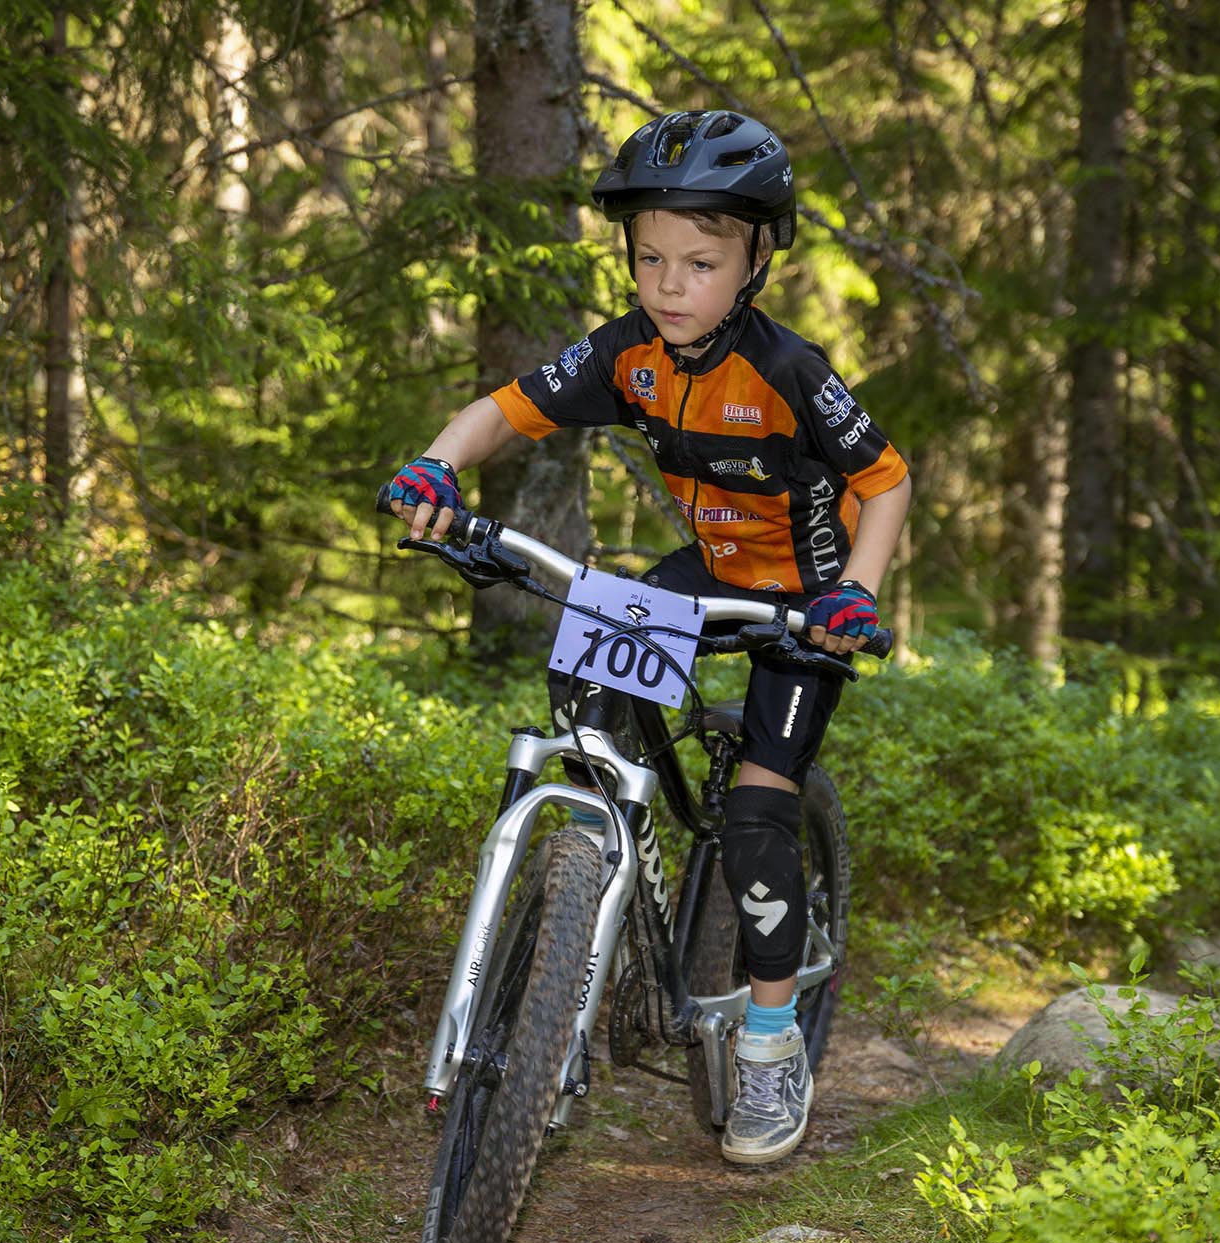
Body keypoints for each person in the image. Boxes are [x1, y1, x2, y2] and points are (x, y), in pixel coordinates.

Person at [385, 109, 913, 1166]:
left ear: (755, 259)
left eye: (700, 262)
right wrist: (439, 462)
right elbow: (509, 406)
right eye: (650, 260)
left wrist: (854, 590)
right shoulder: (626, 353)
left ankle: (768, 1043)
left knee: (760, 809)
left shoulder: (787, 369)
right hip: (706, 572)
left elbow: (885, 481)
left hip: (803, 601)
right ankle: (595, 891)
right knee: (582, 683)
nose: (669, 285)